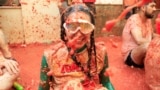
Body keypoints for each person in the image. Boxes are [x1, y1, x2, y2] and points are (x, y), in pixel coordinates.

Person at [39, 4, 114, 90]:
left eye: (85, 26)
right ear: (64, 31)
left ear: (91, 31)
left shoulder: (100, 52)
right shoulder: (51, 56)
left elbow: (106, 82)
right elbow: (43, 87)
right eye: (72, 26)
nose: (79, 34)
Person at [121, 0, 157, 68]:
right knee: (146, 46)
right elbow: (139, 40)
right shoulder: (134, 19)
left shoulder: (148, 20)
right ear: (143, 8)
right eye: (152, 6)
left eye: (155, 6)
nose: (155, 9)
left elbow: (152, 35)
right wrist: (156, 43)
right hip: (131, 56)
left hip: (143, 51)